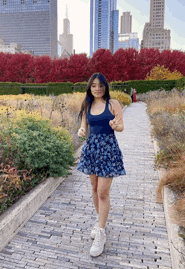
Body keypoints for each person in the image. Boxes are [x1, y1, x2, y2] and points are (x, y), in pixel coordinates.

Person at [77, 72, 126, 257]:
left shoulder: (113, 104)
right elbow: (84, 126)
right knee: (94, 187)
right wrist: (81, 130)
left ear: (106, 87)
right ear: (90, 87)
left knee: (102, 192)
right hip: (92, 149)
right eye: (94, 85)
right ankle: (100, 223)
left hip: (108, 149)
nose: (97, 88)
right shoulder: (87, 104)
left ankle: (101, 233)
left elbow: (121, 126)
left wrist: (115, 125)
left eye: (101, 85)